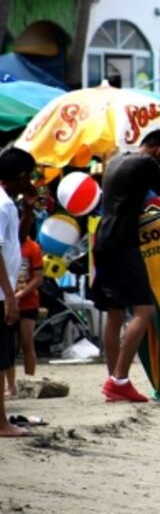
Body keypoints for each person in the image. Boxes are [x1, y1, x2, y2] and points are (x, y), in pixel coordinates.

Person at [93, 129, 160, 403]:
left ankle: (114, 379)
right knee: (144, 311)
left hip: (103, 240)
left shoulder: (116, 160)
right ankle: (119, 381)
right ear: (158, 151)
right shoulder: (146, 163)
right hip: (123, 243)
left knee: (114, 313)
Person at [0, 148, 36, 436]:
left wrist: (28, 209)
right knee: (0, 361)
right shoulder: (1, 204)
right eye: (30, 176)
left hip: (4, 291)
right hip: (1, 293)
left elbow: (17, 241)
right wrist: (10, 296)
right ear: (22, 175)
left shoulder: (9, 204)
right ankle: (0, 424)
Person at [4, 213, 42, 397]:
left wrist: (20, 294)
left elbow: (38, 278)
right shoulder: (8, 246)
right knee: (8, 346)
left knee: (27, 343)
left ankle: (29, 383)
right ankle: (10, 386)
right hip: (7, 301)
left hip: (28, 303)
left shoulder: (33, 247)